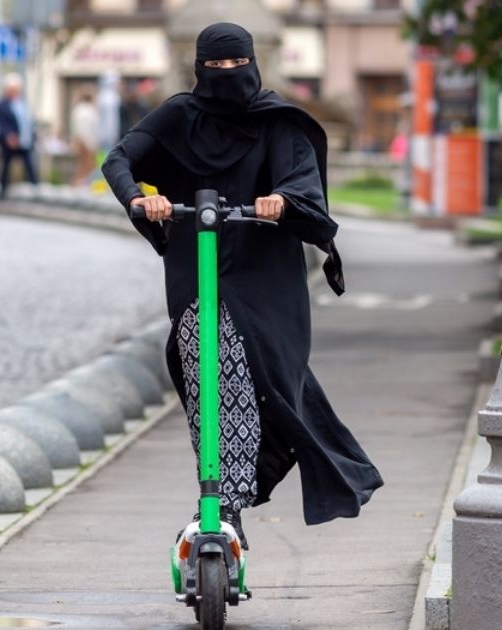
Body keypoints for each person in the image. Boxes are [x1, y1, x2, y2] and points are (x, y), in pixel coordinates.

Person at [102, 23, 382, 548]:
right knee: (207, 379)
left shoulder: (278, 121)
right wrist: (140, 197)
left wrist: (283, 200)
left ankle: (226, 502)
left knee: (261, 380)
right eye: (216, 67)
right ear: (199, 69)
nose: (227, 76)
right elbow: (119, 158)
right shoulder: (179, 114)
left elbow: (301, 181)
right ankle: (220, 499)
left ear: (254, 63)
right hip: (195, 264)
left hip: (263, 271)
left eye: (237, 66)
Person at [0, 73, 38, 199]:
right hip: (9, 141)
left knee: (30, 163)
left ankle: (35, 188)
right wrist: (9, 135)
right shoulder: (1, 105)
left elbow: (28, 121)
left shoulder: (22, 104)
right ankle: (2, 190)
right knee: (6, 165)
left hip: (25, 140)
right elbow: (1, 123)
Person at [70, 90, 99, 186]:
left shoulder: (78, 110)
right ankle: (77, 184)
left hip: (80, 140)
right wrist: (91, 144)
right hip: (86, 142)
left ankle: (80, 184)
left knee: (84, 165)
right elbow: (90, 130)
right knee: (87, 165)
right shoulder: (89, 111)